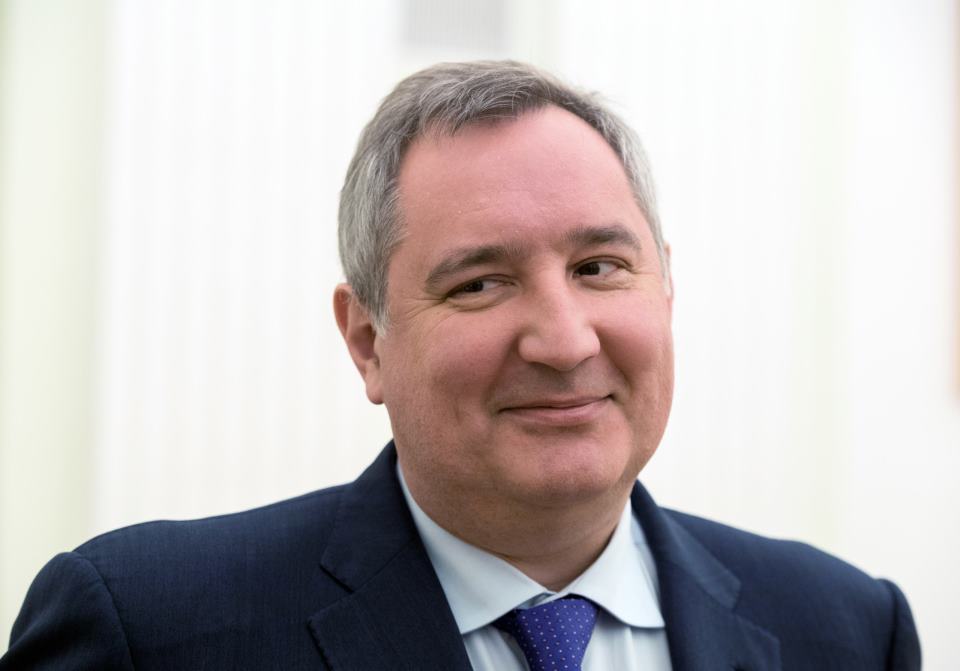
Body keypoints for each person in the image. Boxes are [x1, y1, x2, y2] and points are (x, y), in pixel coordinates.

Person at [1, 61, 919, 670]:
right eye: (481, 283)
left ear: (667, 290)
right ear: (368, 340)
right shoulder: (148, 631)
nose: (565, 341)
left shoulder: (846, 630)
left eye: (600, 268)